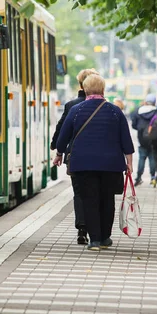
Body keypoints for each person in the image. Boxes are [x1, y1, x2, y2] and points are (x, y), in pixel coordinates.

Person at [54, 74, 134, 251]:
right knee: (107, 199)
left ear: (85, 89)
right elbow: (126, 140)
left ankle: (95, 240)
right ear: (103, 90)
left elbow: (63, 137)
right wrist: (129, 163)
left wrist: (59, 153)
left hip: (83, 164)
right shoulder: (115, 111)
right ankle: (105, 237)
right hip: (111, 165)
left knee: (89, 200)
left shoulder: (76, 111)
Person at [51, 68, 100, 245]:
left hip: (75, 155)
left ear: (81, 84)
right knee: (96, 193)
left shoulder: (72, 105)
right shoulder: (104, 105)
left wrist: (57, 148)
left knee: (79, 193)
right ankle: (98, 230)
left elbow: (62, 127)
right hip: (98, 158)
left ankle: (82, 228)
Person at [131, 94, 157, 187]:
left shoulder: (138, 111)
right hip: (153, 139)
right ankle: (153, 177)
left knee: (141, 158)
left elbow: (134, 125)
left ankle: (138, 177)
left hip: (142, 139)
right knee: (152, 158)